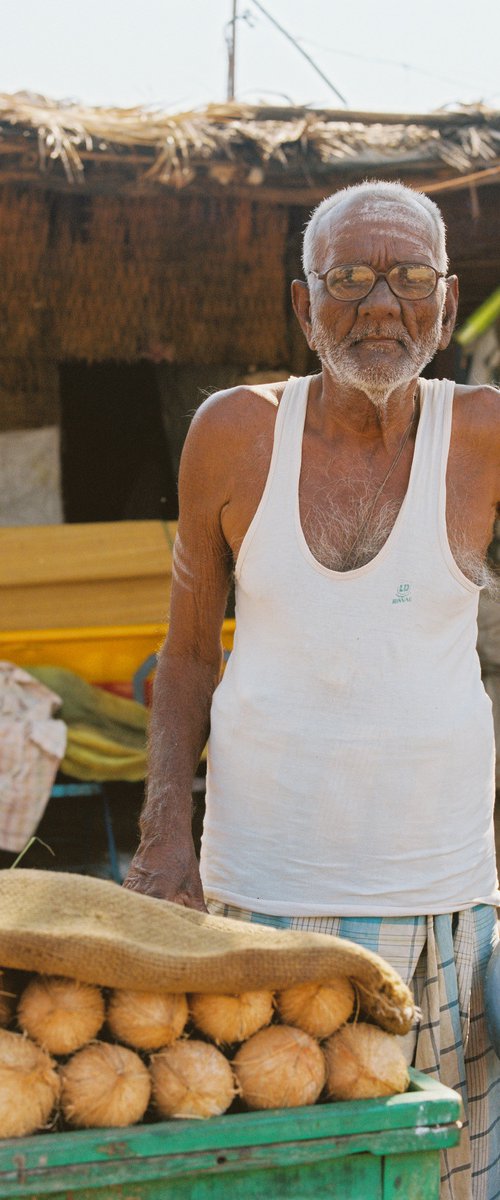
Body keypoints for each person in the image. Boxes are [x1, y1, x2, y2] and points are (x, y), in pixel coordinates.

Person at [124, 180, 500, 1199]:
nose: (380, 306)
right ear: (302, 306)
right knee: (286, 1171)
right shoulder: (233, 432)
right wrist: (164, 832)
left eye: (408, 278)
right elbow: (188, 655)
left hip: (442, 894)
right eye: (348, 278)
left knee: (442, 1173)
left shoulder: (484, 436)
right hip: (264, 889)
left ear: (444, 298)